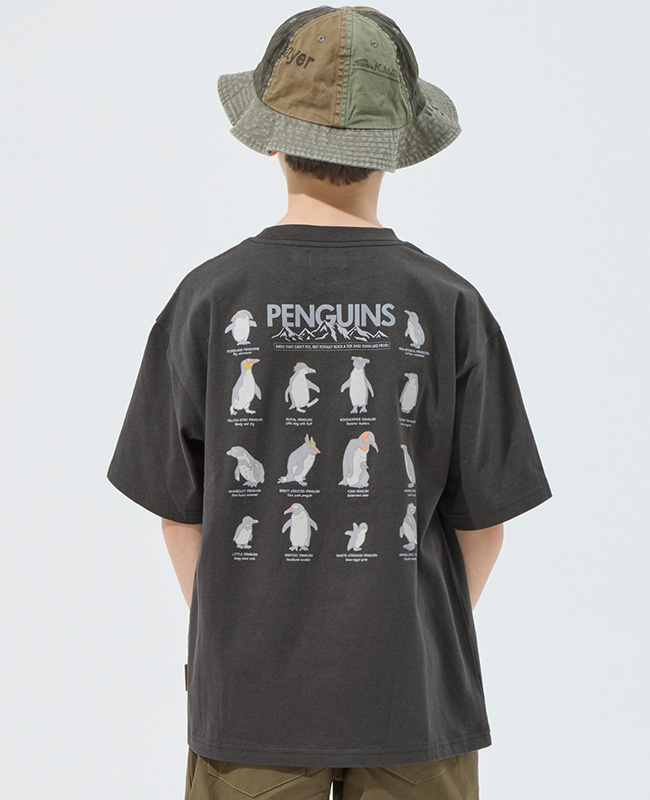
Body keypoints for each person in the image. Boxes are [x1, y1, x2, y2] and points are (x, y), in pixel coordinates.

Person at [107, 6, 553, 799]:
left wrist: (238, 631)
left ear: (271, 141)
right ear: (397, 151)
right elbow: (485, 523)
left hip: (251, 705)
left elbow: (178, 514)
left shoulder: (207, 300)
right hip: (413, 703)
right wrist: (408, 629)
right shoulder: (450, 304)